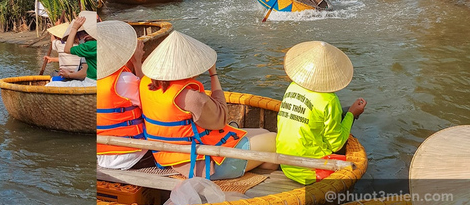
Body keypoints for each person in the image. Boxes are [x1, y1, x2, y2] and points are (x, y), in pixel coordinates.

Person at [140, 31, 277, 180]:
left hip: (168, 157)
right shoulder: (191, 97)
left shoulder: (145, 83)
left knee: (262, 131)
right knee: (273, 141)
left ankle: (249, 169)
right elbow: (221, 119)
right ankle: (251, 178)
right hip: (202, 165)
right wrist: (213, 74)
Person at [275, 41, 366, 185]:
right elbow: (336, 144)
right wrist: (352, 114)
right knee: (345, 115)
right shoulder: (329, 99)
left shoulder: (292, 87)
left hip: (285, 163)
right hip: (310, 170)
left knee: (340, 112)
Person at [93, 20, 147, 170]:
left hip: (101, 153)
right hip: (130, 153)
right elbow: (150, 101)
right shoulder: (124, 80)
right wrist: (137, 63)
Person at [63, 11, 98, 81]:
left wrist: (74, 29)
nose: (77, 43)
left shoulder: (89, 46)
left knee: (51, 84)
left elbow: (67, 49)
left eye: (75, 40)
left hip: (92, 82)